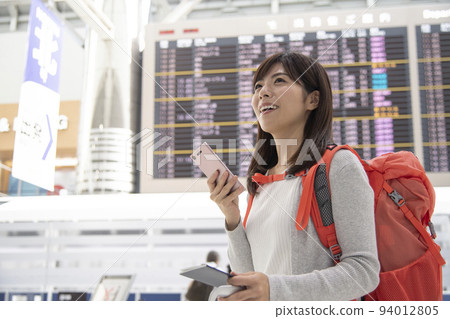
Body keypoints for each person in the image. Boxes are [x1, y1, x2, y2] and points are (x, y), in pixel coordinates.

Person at [207, 51, 380, 301]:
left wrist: (275, 290)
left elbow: (364, 272)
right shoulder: (261, 180)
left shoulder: (338, 166)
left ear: (313, 99)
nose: (263, 92)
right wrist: (232, 217)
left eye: (279, 81)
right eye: (258, 86)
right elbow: (250, 274)